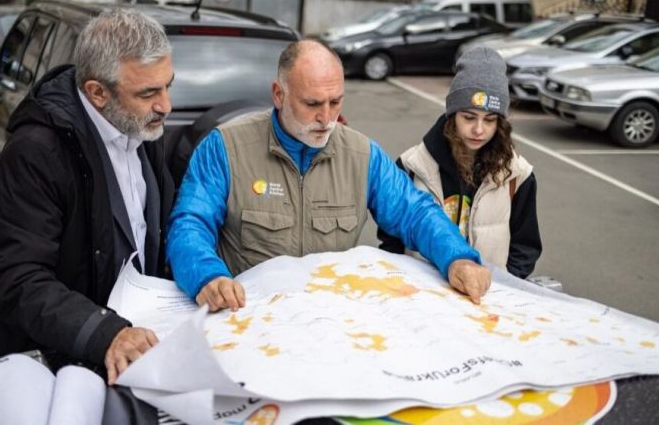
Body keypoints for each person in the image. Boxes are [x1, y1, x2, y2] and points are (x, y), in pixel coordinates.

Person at [167, 39, 491, 313]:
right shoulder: (225, 148)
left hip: (330, 320)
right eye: (312, 104)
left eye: (335, 101)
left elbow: (414, 212)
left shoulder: (363, 155)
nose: (326, 117)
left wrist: (457, 258)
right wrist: (207, 277)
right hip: (249, 317)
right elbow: (190, 223)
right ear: (278, 95)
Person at [0, 9, 176, 385]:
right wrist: (105, 333)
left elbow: (158, 230)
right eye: (149, 92)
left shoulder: (143, 129)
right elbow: (14, 277)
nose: (166, 105)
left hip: (133, 356)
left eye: (169, 85)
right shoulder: (35, 152)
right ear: (97, 93)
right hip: (57, 368)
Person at [378, 47, 541, 279]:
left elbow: (525, 248)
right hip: (422, 299)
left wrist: (504, 288)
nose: (478, 129)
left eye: (490, 120)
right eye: (468, 117)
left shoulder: (518, 174)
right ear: (452, 114)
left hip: (485, 300)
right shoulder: (412, 166)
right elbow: (391, 239)